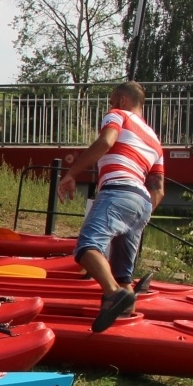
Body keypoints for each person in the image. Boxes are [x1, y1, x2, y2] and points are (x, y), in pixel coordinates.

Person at [57, 81, 165, 332]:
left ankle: (114, 295)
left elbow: (106, 141)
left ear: (123, 101)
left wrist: (72, 173)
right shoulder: (155, 140)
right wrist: (140, 215)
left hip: (118, 191)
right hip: (142, 203)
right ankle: (126, 324)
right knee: (123, 275)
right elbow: (158, 188)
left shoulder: (118, 115)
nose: (109, 105)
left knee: (87, 247)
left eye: (112, 100)